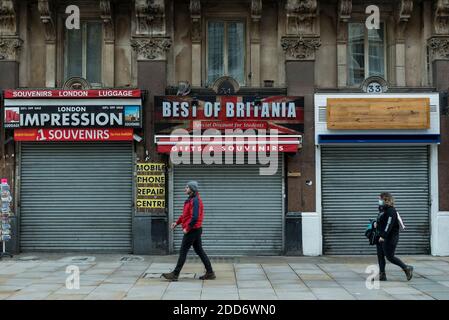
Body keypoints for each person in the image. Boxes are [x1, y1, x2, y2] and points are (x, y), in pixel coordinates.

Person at [162, 181, 215, 281]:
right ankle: (210, 272)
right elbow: (185, 216)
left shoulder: (195, 201)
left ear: (192, 189)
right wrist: (176, 223)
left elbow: (194, 217)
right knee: (199, 251)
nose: (184, 189)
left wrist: (187, 228)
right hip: (195, 229)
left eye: (187, 187)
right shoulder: (190, 200)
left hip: (193, 230)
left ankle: (175, 274)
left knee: (183, 251)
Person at [375, 192, 414, 281]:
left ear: (386, 200)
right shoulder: (382, 210)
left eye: (380, 199)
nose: (379, 201)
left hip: (390, 237)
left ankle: (406, 268)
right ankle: (382, 275)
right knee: (380, 255)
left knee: (390, 256)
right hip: (380, 235)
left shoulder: (391, 211)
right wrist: (375, 224)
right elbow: (381, 221)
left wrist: (383, 236)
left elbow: (388, 224)